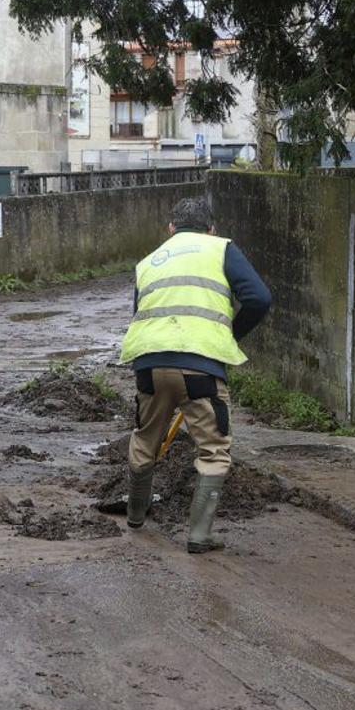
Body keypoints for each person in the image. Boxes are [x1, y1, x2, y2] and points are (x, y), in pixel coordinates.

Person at [121, 197, 272, 552]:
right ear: (211, 228)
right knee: (214, 450)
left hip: (149, 366)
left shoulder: (147, 263)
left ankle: (135, 516)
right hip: (201, 369)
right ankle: (199, 535)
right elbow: (259, 298)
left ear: (170, 229)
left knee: (145, 439)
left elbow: (140, 314)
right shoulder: (222, 249)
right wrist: (228, 336)